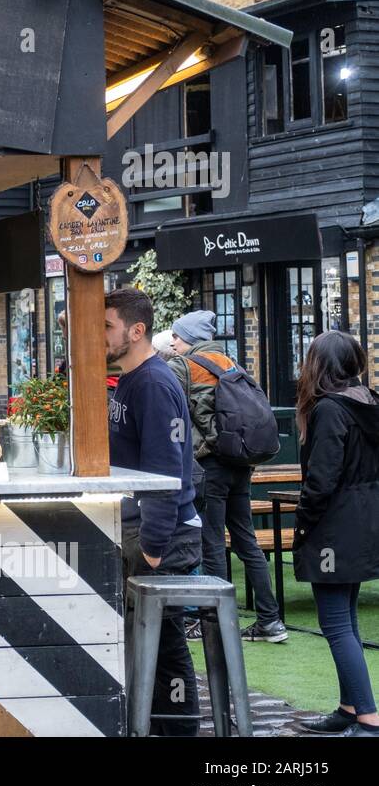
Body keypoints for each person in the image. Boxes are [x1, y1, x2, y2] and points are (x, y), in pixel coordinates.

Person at [104, 287, 202, 736]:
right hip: (143, 529)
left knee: (164, 650)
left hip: (164, 534)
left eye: (107, 326)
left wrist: (154, 547)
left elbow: (166, 472)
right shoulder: (129, 378)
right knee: (150, 647)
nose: (100, 335)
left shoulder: (154, 383)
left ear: (136, 330)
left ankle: (179, 732)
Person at [168, 310, 288, 643]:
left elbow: (165, 407)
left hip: (211, 466)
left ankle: (218, 625)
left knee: (212, 544)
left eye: (176, 336)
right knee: (246, 541)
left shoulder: (184, 367)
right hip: (240, 462)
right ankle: (270, 621)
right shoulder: (229, 362)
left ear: (189, 337)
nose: (173, 342)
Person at [293, 331, 379, 736]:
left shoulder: (329, 410)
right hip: (363, 523)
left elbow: (321, 480)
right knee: (346, 619)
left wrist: (304, 521)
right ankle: (349, 708)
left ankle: (366, 716)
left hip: (333, 526)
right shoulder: (368, 402)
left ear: (318, 365)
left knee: (337, 623)